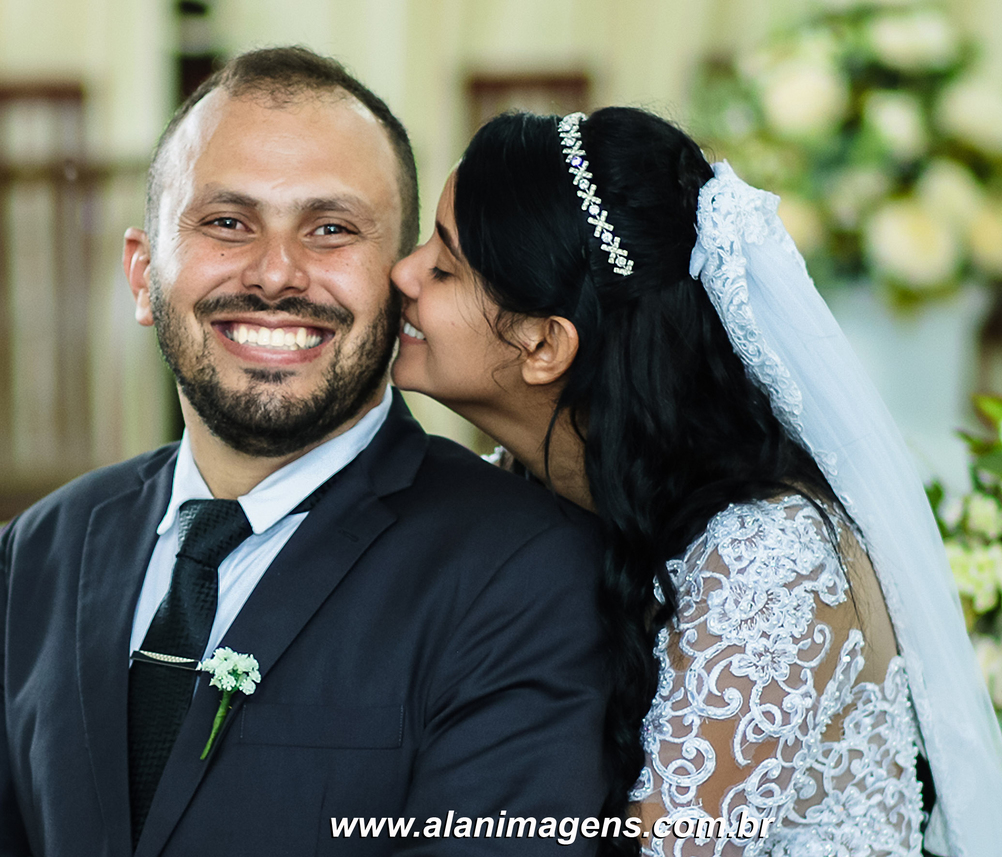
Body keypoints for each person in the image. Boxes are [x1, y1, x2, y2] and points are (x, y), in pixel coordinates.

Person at [0, 48, 609, 856]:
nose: (277, 273)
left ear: (402, 284)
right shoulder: (32, 554)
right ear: (143, 275)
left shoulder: (528, 574)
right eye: (227, 222)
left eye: (330, 229)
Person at [391, 107, 1002, 857]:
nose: (402, 273)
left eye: (443, 264)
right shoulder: (526, 486)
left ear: (544, 344)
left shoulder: (769, 562)